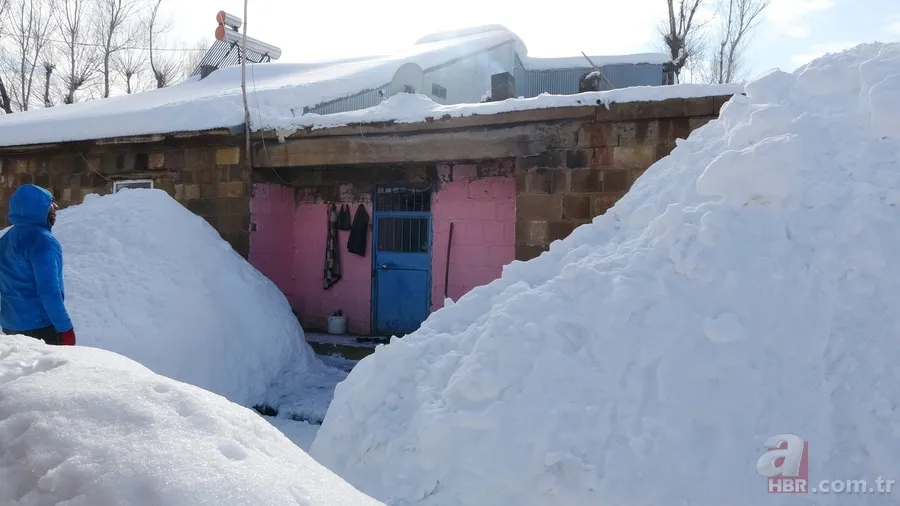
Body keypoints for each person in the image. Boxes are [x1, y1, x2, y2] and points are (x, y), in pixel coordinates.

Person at [0, 184, 76, 346]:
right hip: (40, 328)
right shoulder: (43, 241)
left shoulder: (6, 239)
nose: (55, 207)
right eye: (50, 203)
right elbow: (49, 290)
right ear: (36, 208)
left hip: (9, 325)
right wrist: (65, 328)